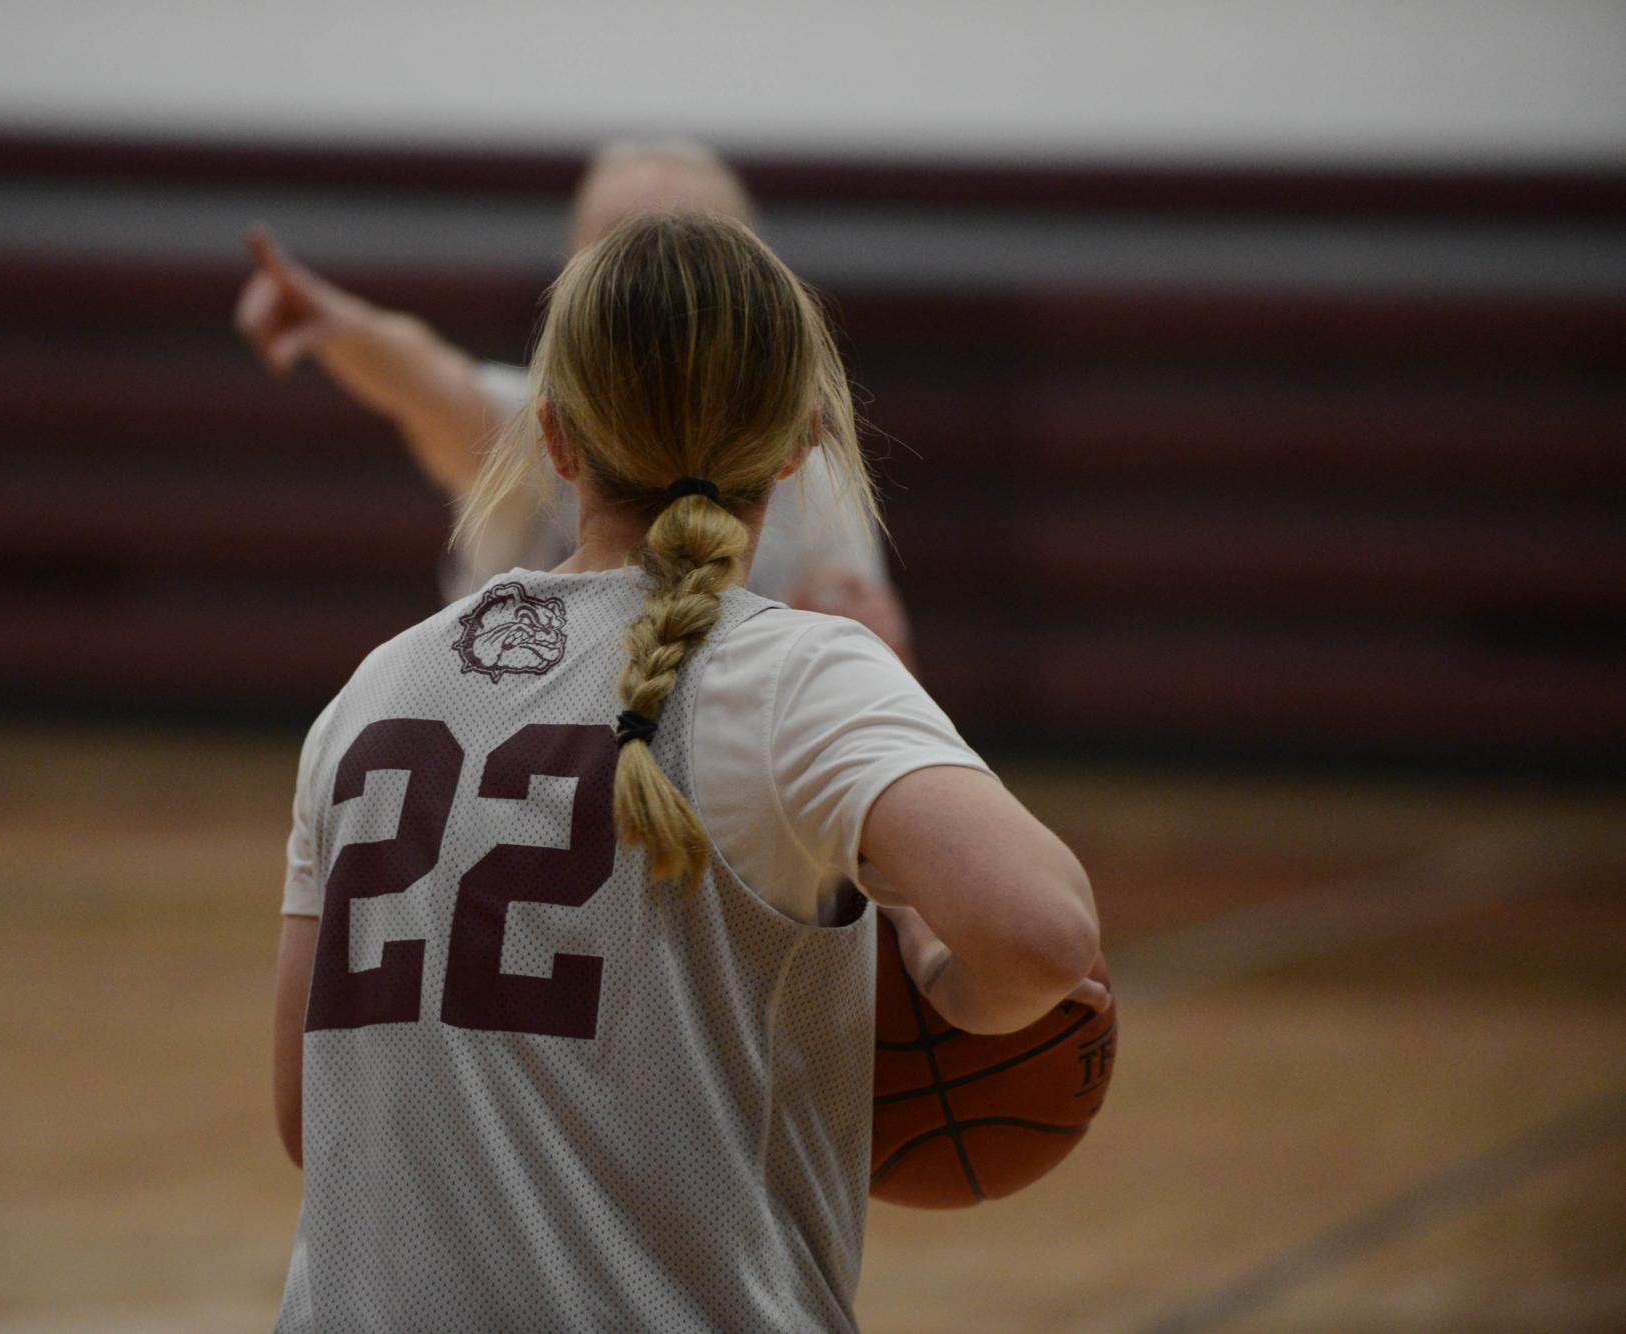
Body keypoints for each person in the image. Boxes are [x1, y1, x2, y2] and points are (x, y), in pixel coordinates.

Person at [270, 213, 1102, 1332]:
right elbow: (1045, 934)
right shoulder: (798, 674)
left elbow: (305, 1116)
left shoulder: (369, 690)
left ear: (555, 438)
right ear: (803, 441)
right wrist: (952, 984)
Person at [234, 140, 913, 660]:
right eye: (619, 235)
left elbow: (874, 651)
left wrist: (871, 649)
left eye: (688, 236)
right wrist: (340, 326)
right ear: (570, 268)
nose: (653, 269)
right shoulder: (530, 418)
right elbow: (430, 380)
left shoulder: (809, 460)